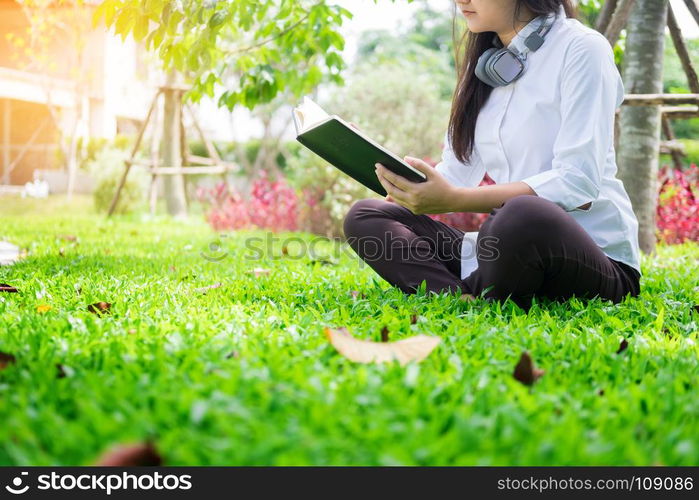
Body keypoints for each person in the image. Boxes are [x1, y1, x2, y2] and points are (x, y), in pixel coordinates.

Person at [342, 0, 641, 308]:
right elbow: (455, 173)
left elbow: (578, 182)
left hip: (593, 257)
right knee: (366, 215)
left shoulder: (583, 49)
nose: (461, 1)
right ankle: (462, 300)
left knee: (522, 213)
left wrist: (454, 200)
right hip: (505, 245)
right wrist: (394, 174)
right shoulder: (485, 65)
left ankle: (463, 291)